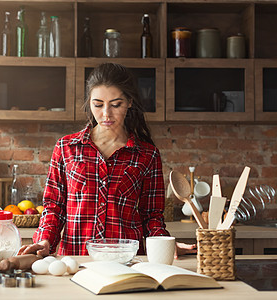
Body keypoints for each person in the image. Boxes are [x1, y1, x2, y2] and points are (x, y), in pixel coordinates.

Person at [18, 63, 195, 258]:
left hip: (128, 261)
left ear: (129, 102)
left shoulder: (147, 155)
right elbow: (54, 207)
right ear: (90, 103)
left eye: (116, 104)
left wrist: (163, 244)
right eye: (98, 104)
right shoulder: (66, 148)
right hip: (76, 260)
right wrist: (45, 240)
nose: (106, 114)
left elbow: (151, 216)